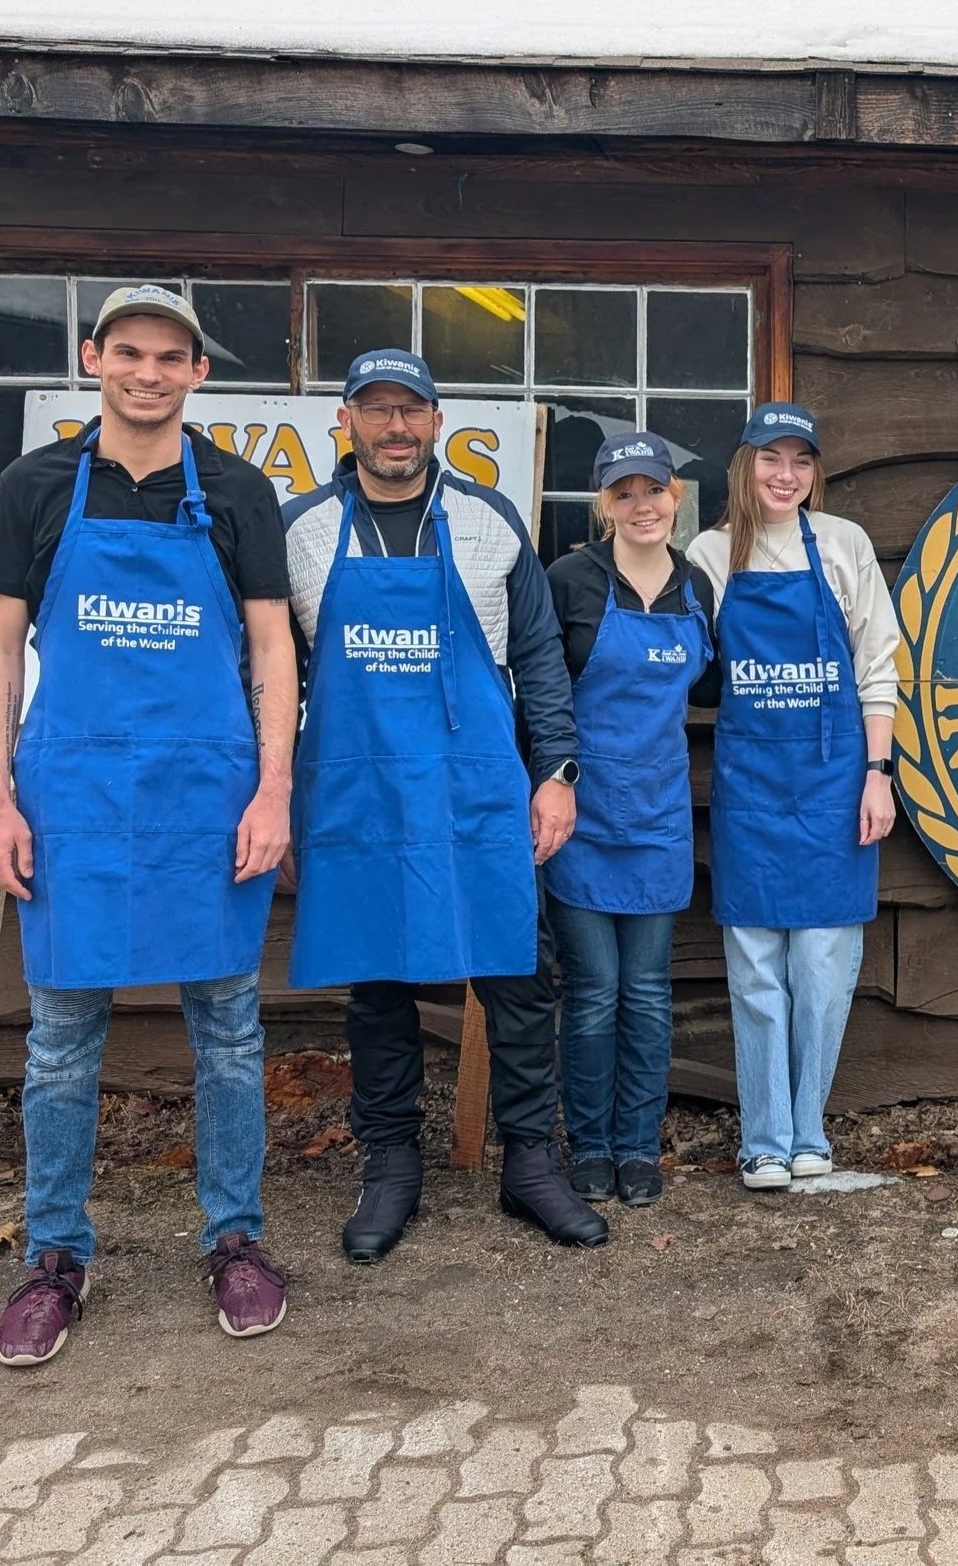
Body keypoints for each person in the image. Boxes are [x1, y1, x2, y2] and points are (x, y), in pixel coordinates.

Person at [0, 286, 295, 1363]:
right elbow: (0, 653)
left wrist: (271, 792)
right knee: (64, 1045)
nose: (149, 372)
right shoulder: (33, 488)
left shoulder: (238, 490)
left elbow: (272, 653)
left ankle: (236, 1239)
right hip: (70, 801)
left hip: (205, 804)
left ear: (199, 373)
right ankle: (56, 1257)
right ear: (93, 357)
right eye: (129, 351)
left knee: (228, 1033)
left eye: (172, 356)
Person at [282, 349, 605, 1259]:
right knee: (376, 979)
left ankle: (531, 1163)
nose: (395, 427)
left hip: (477, 788)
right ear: (346, 420)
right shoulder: (301, 530)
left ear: (436, 420)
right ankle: (391, 1166)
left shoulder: (486, 519)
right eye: (376, 409)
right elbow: (269, 672)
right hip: (358, 793)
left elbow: (539, 656)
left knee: (516, 971)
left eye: (410, 410)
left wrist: (557, 774)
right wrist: (277, 797)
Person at [686, 404, 898, 1190]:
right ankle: (764, 1137)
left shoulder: (843, 545)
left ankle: (810, 1127)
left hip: (836, 781)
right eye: (770, 459)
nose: (785, 475)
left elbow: (877, 665)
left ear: (814, 472)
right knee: (755, 973)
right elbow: (679, 655)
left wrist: (879, 773)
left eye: (800, 461)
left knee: (823, 967)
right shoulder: (707, 554)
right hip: (750, 785)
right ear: (744, 466)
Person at [544, 433, 717, 1206]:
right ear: (603, 505)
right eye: (624, 493)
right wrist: (551, 782)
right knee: (593, 991)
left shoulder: (697, 588)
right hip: (581, 813)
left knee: (647, 993)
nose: (641, 506)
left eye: (654, 490)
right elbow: (540, 697)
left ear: (675, 498)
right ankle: (590, 1144)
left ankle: (638, 1148)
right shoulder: (570, 581)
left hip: (659, 817)